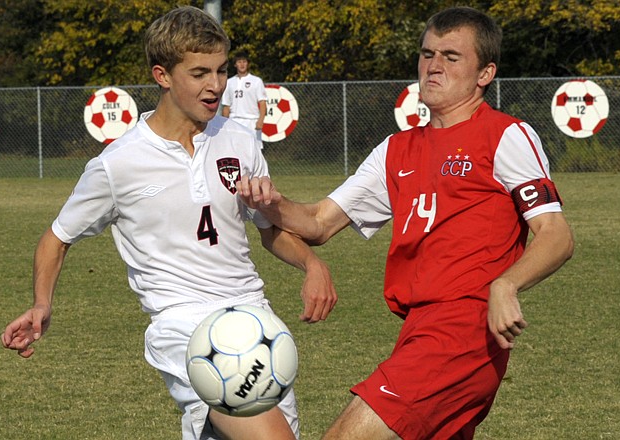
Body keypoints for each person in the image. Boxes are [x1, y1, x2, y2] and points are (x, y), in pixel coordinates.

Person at [237, 6, 574, 440]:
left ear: (485, 73)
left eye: (451, 57)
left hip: (463, 333)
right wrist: (268, 202)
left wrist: (505, 285)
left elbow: (556, 235)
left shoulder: (505, 135)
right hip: (417, 328)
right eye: (427, 53)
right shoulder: (396, 149)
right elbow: (319, 222)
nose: (433, 65)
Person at [0, 6, 337, 440]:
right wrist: (42, 305)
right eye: (199, 73)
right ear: (162, 75)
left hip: (257, 321)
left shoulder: (238, 142)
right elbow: (56, 238)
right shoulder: (118, 164)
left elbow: (268, 229)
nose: (215, 85)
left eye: (219, 71)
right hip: (183, 326)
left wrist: (312, 264)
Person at [221, 52, 267, 147]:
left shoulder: (256, 81)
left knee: (254, 151)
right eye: (239, 62)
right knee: (235, 150)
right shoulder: (229, 82)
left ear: (248, 64)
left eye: (244, 62)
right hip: (234, 121)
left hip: (251, 121)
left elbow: (262, 103)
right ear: (235, 64)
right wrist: (224, 124)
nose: (242, 64)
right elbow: (226, 106)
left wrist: (260, 120)